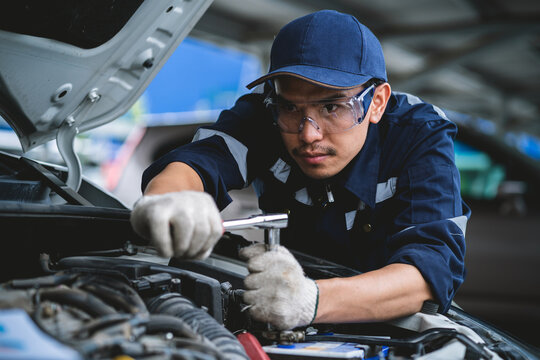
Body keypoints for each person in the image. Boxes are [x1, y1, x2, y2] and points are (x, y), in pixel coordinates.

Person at [130, 10, 469, 330]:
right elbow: (198, 162)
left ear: (376, 102)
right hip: (276, 312)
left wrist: (311, 300)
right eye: (290, 107)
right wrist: (170, 199)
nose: (308, 134)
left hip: (388, 321)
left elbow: (430, 270)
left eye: (332, 106)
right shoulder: (264, 112)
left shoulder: (418, 134)